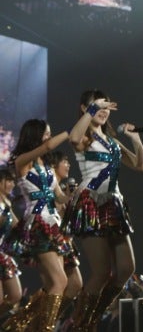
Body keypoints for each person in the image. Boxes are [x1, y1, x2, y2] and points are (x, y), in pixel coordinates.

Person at [61, 90, 143, 330]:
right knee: (101, 272)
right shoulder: (84, 137)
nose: (103, 111)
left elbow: (142, 166)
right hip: (91, 204)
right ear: (85, 108)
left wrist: (136, 139)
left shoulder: (113, 142)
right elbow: (73, 138)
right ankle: (79, 324)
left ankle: (91, 317)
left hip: (113, 205)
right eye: (97, 106)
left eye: (105, 107)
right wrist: (93, 109)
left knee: (127, 268)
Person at [3, 120, 72, 331]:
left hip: (54, 224)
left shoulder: (47, 165)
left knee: (53, 284)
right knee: (60, 281)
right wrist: (73, 129)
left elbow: (59, 197)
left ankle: (21, 324)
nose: (49, 137)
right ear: (34, 135)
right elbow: (49, 146)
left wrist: (71, 195)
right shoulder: (22, 161)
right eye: (46, 133)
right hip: (37, 225)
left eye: (50, 133)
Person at [41, 150, 83, 322]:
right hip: (51, 240)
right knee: (56, 284)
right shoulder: (47, 191)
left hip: (65, 242)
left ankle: (48, 320)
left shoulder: (62, 191)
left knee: (75, 285)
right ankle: (39, 322)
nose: (68, 165)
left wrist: (72, 200)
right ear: (53, 166)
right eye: (64, 162)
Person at [0, 168, 21, 320]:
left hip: (2, 254)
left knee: (15, 295)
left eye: (13, 181)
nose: (12, 184)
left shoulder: (6, 203)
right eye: (8, 181)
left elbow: (16, 225)